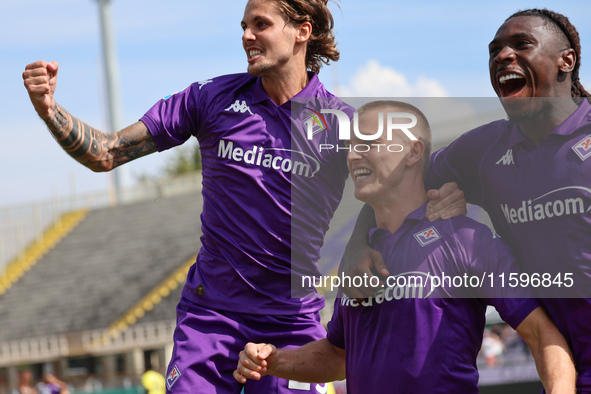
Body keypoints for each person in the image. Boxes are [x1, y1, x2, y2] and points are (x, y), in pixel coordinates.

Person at [23, 0, 352, 392]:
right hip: (211, 315)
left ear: (302, 31)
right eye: (244, 25)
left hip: (291, 321)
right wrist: (49, 110)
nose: (247, 35)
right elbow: (105, 152)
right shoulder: (211, 99)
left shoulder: (344, 127)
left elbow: (400, 197)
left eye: (260, 24)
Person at [233, 100, 576, 393]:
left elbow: (542, 334)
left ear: (413, 151)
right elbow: (338, 356)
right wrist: (277, 360)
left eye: (368, 142)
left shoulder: (466, 240)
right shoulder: (357, 258)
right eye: (351, 146)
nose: (353, 156)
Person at [422, 9, 591, 391]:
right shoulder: (481, 150)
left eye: (521, 45)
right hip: (569, 368)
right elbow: (396, 186)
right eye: (494, 50)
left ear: (567, 60)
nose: (502, 56)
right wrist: (358, 248)